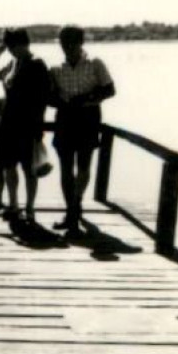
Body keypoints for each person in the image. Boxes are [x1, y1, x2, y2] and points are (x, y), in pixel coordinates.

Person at [48, 26, 115, 237]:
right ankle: (71, 213)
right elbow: (49, 97)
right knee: (66, 168)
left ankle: (75, 208)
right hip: (65, 118)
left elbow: (110, 89)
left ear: (80, 43)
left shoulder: (95, 63)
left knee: (83, 166)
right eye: (62, 43)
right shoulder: (56, 68)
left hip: (88, 118)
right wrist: (62, 101)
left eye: (70, 42)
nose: (66, 47)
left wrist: (87, 98)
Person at [0, 28, 51, 223]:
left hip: (28, 126)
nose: (11, 50)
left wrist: (37, 127)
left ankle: (29, 208)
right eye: (9, 47)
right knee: (8, 167)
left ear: (24, 44)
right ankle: (13, 206)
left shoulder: (37, 64)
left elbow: (43, 98)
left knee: (29, 170)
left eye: (14, 46)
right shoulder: (12, 63)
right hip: (7, 125)